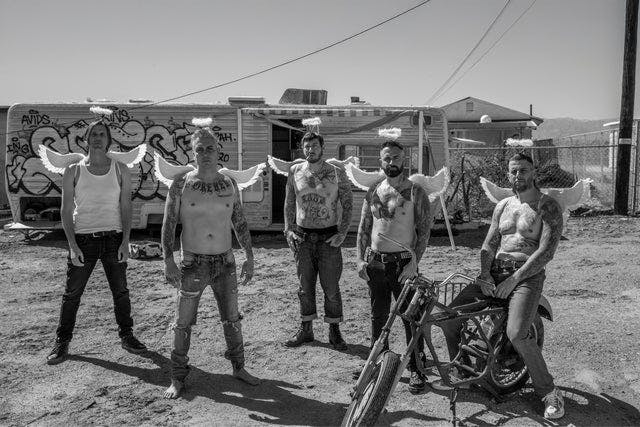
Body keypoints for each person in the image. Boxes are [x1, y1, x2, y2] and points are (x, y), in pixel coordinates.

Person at [439, 153, 565, 420]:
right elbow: (489, 244)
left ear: (534, 172)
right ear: (508, 174)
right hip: (495, 272)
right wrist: (485, 274)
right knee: (449, 318)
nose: (518, 175)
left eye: (523, 170)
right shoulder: (503, 205)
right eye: (513, 171)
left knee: (517, 333)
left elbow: (546, 252)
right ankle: (463, 371)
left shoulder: (548, 206)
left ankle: (549, 392)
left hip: (526, 277)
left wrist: (514, 279)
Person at [162, 121, 259, 399]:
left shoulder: (229, 183)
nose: (205, 153)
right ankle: (177, 377)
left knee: (232, 318)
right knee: (182, 323)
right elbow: (169, 224)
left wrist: (249, 256)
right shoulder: (181, 184)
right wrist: (168, 260)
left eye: (210, 149)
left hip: (225, 262)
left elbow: (239, 221)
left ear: (218, 152)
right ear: (193, 153)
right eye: (200, 149)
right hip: (193, 263)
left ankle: (239, 367)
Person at [46, 119, 147, 365]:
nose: (98, 138)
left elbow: (126, 206)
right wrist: (72, 246)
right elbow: (65, 210)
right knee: (72, 294)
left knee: (121, 292)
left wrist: (125, 241)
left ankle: (127, 336)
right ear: (86, 139)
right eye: (93, 134)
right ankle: (62, 342)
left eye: (102, 134)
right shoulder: (74, 170)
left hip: (113, 239)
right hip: (83, 240)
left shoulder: (120, 169)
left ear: (108, 139)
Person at [356, 137, 432, 394]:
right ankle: (378, 363)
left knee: (411, 317)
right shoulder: (374, 191)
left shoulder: (416, 192)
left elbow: (424, 232)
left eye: (396, 158)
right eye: (386, 158)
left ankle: (416, 368)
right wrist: (359, 259)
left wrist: (414, 264)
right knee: (378, 316)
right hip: (376, 263)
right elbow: (364, 228)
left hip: (403, 266)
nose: (391, 162)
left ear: (404, 159)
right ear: (381, 161)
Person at [283, 131, 353, 350]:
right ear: (302, 149)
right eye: (306, 146)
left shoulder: (336, 172)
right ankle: (306, 329)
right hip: (302, 238)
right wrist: (288, 230)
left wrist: (342, 232)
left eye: (314, 145)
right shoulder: (295, 171)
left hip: (328, 238)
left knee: (331, 288)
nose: (310, 149)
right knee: (304, 287)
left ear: (322, 147)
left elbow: (348, 204)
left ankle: (334, 330)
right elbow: (289, 202)